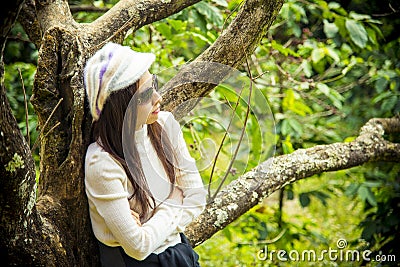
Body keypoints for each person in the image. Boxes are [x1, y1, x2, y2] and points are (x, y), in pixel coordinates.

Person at [83, 42, 207, 267]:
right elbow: (138, 248)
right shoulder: (101, 163)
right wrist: (175, 200)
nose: (158, 97)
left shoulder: (165, 125)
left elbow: (197, 199)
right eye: (147, 93)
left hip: (180, 254)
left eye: (154, 85)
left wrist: (151, 223)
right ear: (122, 106)